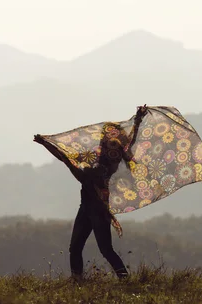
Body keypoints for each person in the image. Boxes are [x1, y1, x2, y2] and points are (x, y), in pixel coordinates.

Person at [34, 105, 148, 281]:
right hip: (88, 207)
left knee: (102, 249)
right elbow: (66, 157)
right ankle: (79, 279)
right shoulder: (97, 156)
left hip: (98, 208)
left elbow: (68, 160)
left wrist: (138, 120)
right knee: (78, 247)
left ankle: (122, 278)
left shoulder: (109, 159)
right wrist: (47, 144)